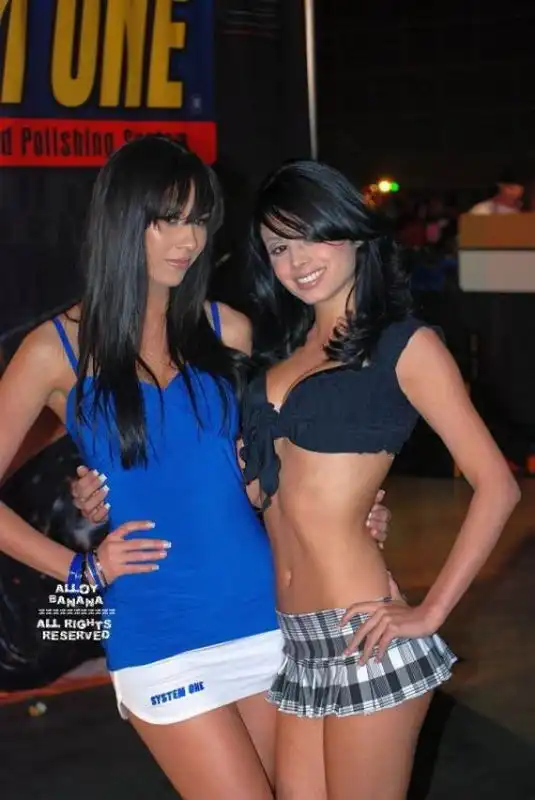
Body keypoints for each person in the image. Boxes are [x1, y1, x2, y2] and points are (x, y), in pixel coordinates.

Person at [0, 137, 390, 800]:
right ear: (122, 221)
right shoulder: (54, 348)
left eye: (198, 220)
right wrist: (79, 569)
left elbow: (257, 478)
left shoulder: (227, 329)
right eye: (166, 220)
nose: (187, 240)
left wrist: (344, 511)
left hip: (264, 615)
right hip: (158, 631)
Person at [237, 159, 520, 800]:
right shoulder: (280, 357)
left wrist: (431, 611)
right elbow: (259, 494)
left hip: (361, 633)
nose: (296, 261)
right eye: (278, 247)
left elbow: (497, 485)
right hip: (296, 641)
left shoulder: (403, 345)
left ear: (352, 232)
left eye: (311, 236)